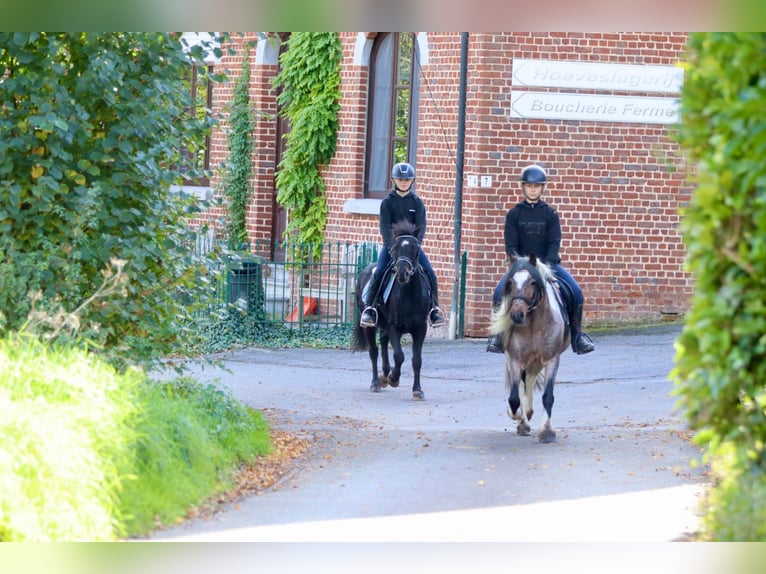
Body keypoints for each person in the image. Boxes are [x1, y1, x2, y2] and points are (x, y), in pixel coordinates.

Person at [487, 164, 594, 354]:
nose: (533, 189)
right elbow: (511, 245)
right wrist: (519, 264)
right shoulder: (514, 214)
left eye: (536, 186)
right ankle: (498, 336)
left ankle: (577, 336)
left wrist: (547, 264)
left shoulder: (550, 214)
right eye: (529, 186)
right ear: (524, 187)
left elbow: (554, 241)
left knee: (576, 292)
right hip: (520, 268)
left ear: (542, 188)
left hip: (547, 265)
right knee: (498, 293)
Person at [359, 162, 445, 329]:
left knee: (430, 273)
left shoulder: (417, 202)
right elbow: (384, 227)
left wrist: (416, 245)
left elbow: (422, 226)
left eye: (407, 180)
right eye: (400, 179)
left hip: (412, 249)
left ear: (412, 181)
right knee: (379, 272)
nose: (404, 182)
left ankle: (434, 310)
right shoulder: (387, 203)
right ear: (394, 180)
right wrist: (392, 247)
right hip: (392, 248)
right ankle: (370, 309)